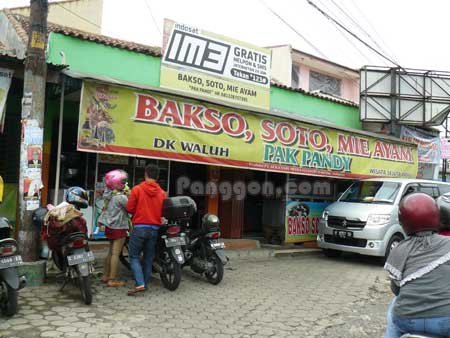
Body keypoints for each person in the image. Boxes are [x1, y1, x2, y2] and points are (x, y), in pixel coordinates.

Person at [384, 193, 450, 338]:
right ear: (436, 216)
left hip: (406, 321)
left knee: (394, 306)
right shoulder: (447, 243)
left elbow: (396, 289)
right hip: (445, 321)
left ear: (403, 222)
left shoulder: (399, 249)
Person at [125, 164, 166, 295]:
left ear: (145, 174)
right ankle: (145, 284)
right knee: (148, 258)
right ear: (158, 177)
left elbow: (129, 208)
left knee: (134, 256)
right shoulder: (162, 193)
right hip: (154, 229)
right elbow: (164, 211)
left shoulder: (137, 189)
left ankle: (140, 283)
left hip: (139, 228)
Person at [98, 169, 130, 288]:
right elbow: (130, 208)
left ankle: (105, 275)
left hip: (109, 226)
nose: (125, 183)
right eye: (123, 181)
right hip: (119, 227)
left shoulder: (109, 194)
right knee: (116, 254)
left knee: (110, 252)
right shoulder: (121, 197)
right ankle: (112, 279)